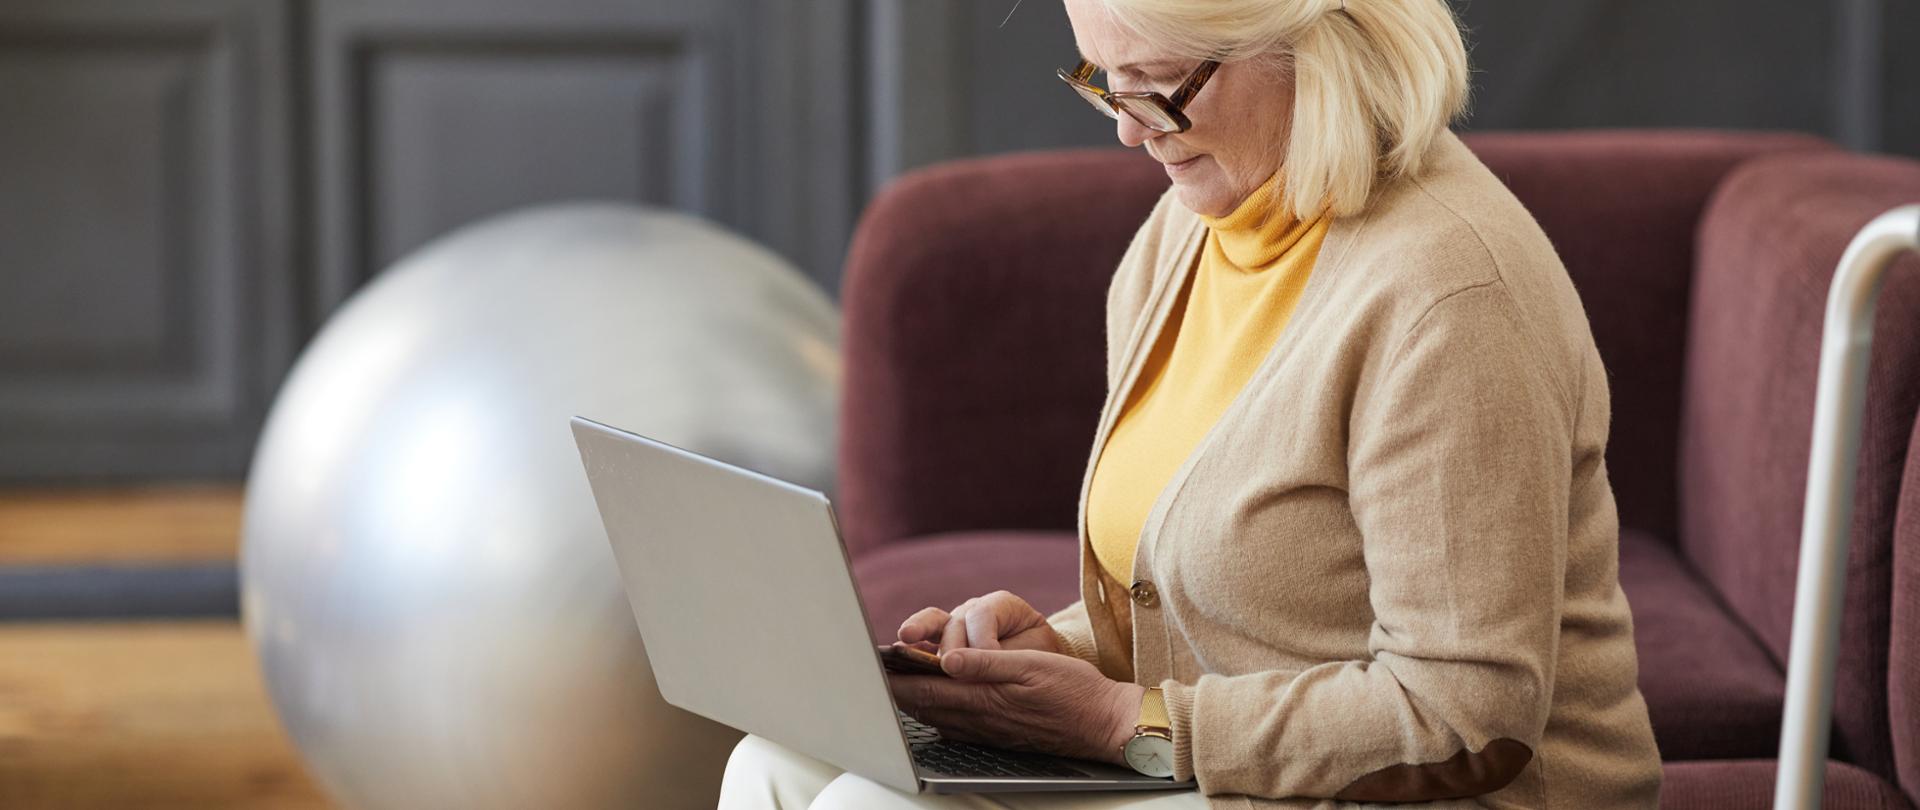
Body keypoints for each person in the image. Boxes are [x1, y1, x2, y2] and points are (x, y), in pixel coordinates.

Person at [720, 0, 1664, 806]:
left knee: (862, 802)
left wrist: (1111, 720)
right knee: (774, 767)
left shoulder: (1446, 297)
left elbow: (1468, 722)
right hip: (1239, 775)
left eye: (1158, 82)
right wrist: (1063, 656)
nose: (1128, 128)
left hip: (1428, 792)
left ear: (1309, 46)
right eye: (1102, 77)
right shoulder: (1189, 233)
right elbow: (1224, 614)